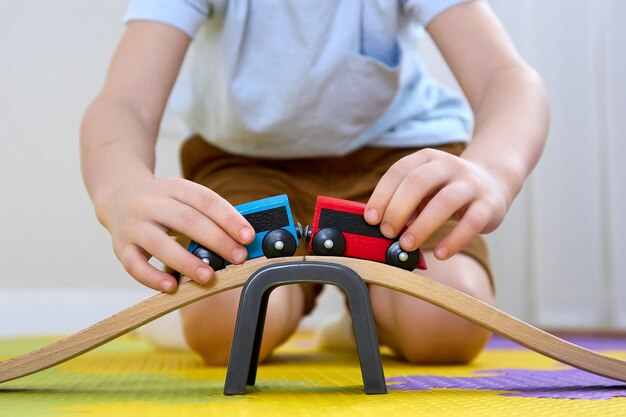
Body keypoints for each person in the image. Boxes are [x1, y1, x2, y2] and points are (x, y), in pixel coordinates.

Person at [80, 0, 548, 366]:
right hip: (247, 166)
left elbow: (506, 78)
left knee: (447, 321)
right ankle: (187, 317)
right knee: (225, 327)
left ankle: (366, 314)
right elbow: (124, 103)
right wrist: (121, 190)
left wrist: (492, 169)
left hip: (398, 167)